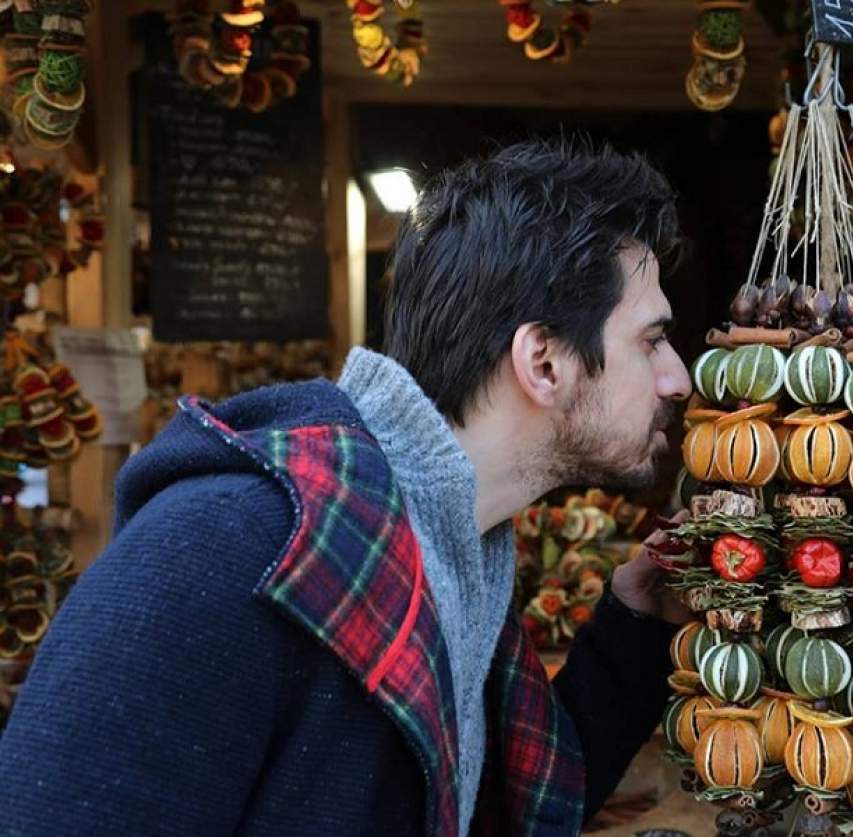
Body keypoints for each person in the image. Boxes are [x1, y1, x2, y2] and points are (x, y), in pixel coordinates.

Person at [0, 139, 695, 835]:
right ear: (542, 360)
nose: (678, 378)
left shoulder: (459, 549)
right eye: (652, 340)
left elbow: (489, 809)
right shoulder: (223, 549)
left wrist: (633, 628)